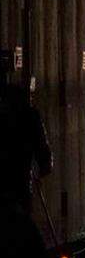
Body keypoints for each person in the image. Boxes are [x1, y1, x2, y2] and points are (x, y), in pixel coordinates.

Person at [0, 82, 53, 214]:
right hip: (21, 177)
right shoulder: (30, 115)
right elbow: (42, 146)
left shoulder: (4, 114)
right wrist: (44, 167)